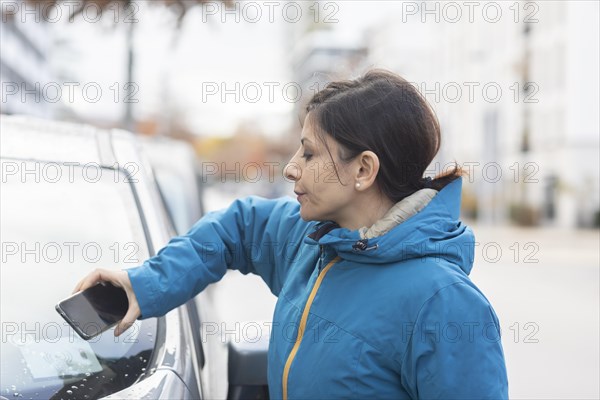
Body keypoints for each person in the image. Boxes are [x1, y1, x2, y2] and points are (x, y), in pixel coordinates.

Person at [74, 69, 509, 399]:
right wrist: (144, 284)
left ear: (363, 169)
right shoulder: (313, 240)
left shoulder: (445, 303)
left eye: (310, 152)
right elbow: (238, 227)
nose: (290, 168)